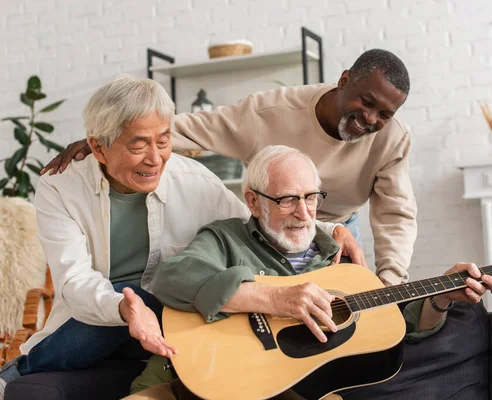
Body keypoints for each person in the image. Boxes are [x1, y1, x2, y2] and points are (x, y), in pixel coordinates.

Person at [0, 76, 362, 400]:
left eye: (163, 140)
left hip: (170, 320)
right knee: (129, 299)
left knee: (153, 300)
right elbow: (74, 281)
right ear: (97, 148)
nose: (156, 158)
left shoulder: (193, 179)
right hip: (95, 324)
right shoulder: (60, 187)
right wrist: (124, 309)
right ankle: (14, 376)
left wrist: (329, 229)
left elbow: (255, 217)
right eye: (139, 145)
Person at [124, 145, 492, 400]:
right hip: (186, 379)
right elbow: (173, 276)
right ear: (254, 202)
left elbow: (401, 324)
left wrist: (441, 298)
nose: (305, 213)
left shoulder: (339, 264)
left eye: (311, 197)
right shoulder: (225, 238)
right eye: (289, 199)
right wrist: (275, 299)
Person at [42, 48, 418, 286]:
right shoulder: (268, 112)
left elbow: (396, 216)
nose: (369, 119)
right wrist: (105, 141)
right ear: (344, 81)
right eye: (365, 102)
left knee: (342, 315)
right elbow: (189, 129)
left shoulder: (393, 139)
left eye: (384, 113)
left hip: (334, 231)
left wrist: (391, 282)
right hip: (269, 225)